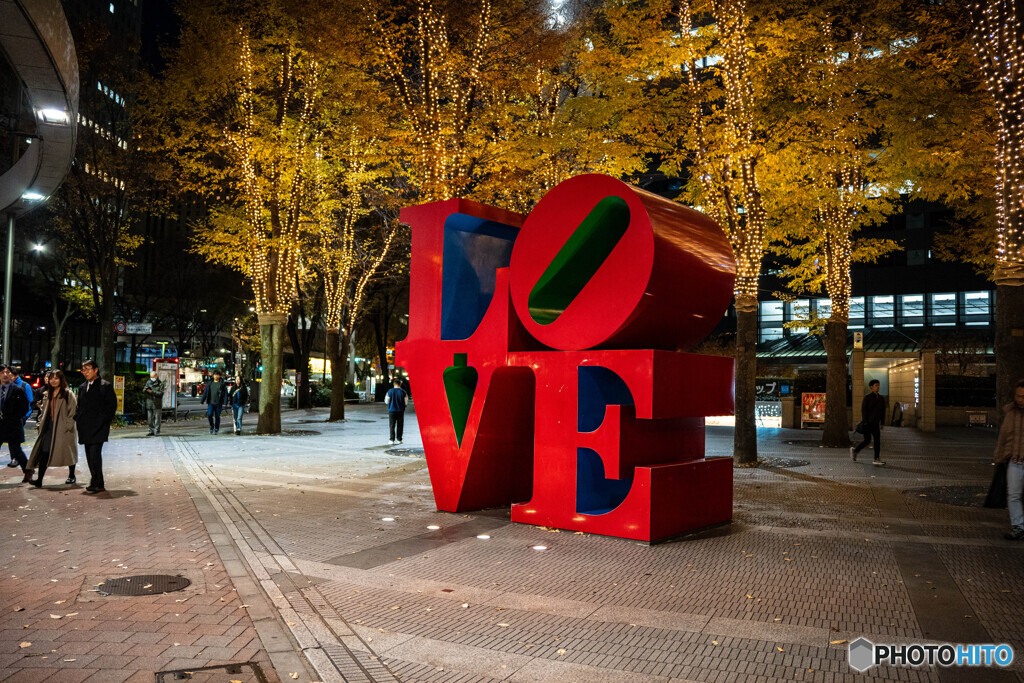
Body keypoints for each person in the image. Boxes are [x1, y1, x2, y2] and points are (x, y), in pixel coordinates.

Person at [27, 371, 78, 488]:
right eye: (51, 378)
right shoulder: (47, 394)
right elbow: (43, 411)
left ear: (61, 379)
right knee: (44, 452)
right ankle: (39, 480)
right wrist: (40, 424)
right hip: (49, 427)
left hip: (63, 428)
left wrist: (67, 425)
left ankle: (72, 475)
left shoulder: (67, 394)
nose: (53, 380)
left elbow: (73, 412)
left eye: (56, 378)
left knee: (68, 451)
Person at [75, 359, 117, 494]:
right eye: (83, 370)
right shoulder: (82, 387)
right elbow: (80, 406)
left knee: (95, 454)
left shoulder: (105, 386)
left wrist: (104, 420)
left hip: (99, 427)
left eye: (88, 369)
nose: (85, 372)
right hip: (85, 427)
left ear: (96, 369)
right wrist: (78, 418)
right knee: (89, 455)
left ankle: (97, 482)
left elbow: (111, 406)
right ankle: (96, 481)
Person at [995, 379, 1024, 541]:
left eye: (1023, 396)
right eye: (1018, 396)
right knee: (1013, 494)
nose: (1020, 399)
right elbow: (1004, 436)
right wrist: (1000, 455)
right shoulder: (1011, 413)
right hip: (1014, 461)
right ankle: (1018, 526)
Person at [0, 365, 32, 482]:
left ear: (10, 374)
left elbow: (24, 407)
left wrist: (16, 418)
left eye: (7, 372)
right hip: (0, 425)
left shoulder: (17, 389)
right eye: (2, 372)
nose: (4, 374)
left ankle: (28, 470)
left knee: (16, 450)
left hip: (13, 425)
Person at [851, 379, 887, 466]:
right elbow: (864, 411)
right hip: (868, 423)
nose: (878, 387)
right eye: (876, 385)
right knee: (867, 440)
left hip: (876, 423)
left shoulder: (881, 398)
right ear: (871, 387)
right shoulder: (867, 398)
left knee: (877, 441)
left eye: (878, 385)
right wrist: (865, 422)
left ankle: (876, 458)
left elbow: (883, 411)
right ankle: (855, 451)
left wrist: (882, 422)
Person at [6, 372, 33, 467]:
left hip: (18, 418)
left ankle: (23, 465)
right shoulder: (5, 386)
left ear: (15, 375)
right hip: (7, 419)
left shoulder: (23, 386)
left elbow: (29, 402)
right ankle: (16, 459)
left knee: (15, 443)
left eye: (10, 375)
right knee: (12, 441)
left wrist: (25, 416)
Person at [384, 378, 408, 445]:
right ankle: (399, 439)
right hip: (400, 410)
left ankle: (391, 439)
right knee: (400, 425)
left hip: (392, 411)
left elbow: (386, 401)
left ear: (393, 384)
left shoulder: (389, 391)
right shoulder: (403, 392)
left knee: (392, 425)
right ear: (400, 384)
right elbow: (406, 402)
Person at [143, 371, 165, 436]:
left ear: (156, 376)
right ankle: (151, 431)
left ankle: (157, 431)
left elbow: (160, 393)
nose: (151, 378)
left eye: (152, 377)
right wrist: (145, 390)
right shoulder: (148, 382)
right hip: (149, 403)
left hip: (157, 403)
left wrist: (152, 392)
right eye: (150, 377)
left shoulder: (160, 384)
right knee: (150, 419)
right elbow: (144, 389)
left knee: (157, 419)